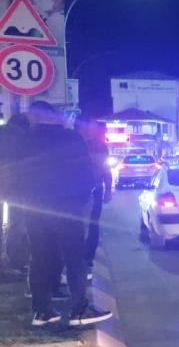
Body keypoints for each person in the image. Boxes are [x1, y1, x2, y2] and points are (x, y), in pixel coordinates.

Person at [22, 101, 112, 327]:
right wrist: (80, 200)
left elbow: (13, 175)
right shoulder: (71, 138)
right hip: (67, 208)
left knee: (39, 259)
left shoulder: (25, 140)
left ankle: (42, 311)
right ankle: (79, 310)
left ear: (33, 116)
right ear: (53, 116)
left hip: (34, 209)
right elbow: (87, 176)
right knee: (74, 258)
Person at [76, 118, 113, 278]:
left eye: (94, 128)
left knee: (92, 225)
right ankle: (80, 258)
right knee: (79, 225)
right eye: (90, 127)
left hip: (94, 189)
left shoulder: (99, 146)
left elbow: (105, 169)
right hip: (77, 191)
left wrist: (108, 189)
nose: (93, 130)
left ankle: (87, 259)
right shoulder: (74, 144)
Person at [0, 114, 31, 278]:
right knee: (17, 224)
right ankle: (15, 262)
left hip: (9, 185)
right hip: (15, 187)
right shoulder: (23, 138)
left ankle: (4, 265)